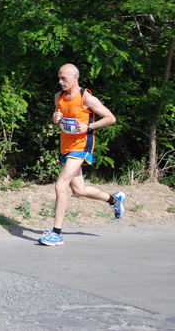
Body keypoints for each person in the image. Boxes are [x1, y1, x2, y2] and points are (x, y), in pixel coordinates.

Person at [39, 63, 125, 246]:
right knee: (79, 191)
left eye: (64, 78)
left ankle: (57, 234)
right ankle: (114, 199)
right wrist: (56, 119)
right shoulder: (58, 97)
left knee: (60, 185)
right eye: (59, 78)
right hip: (66, 146)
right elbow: (60, 120)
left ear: (75, 77)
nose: (60, 81)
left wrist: (89, 126)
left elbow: (111, 118)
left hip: (81, 146)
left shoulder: (86, 98)